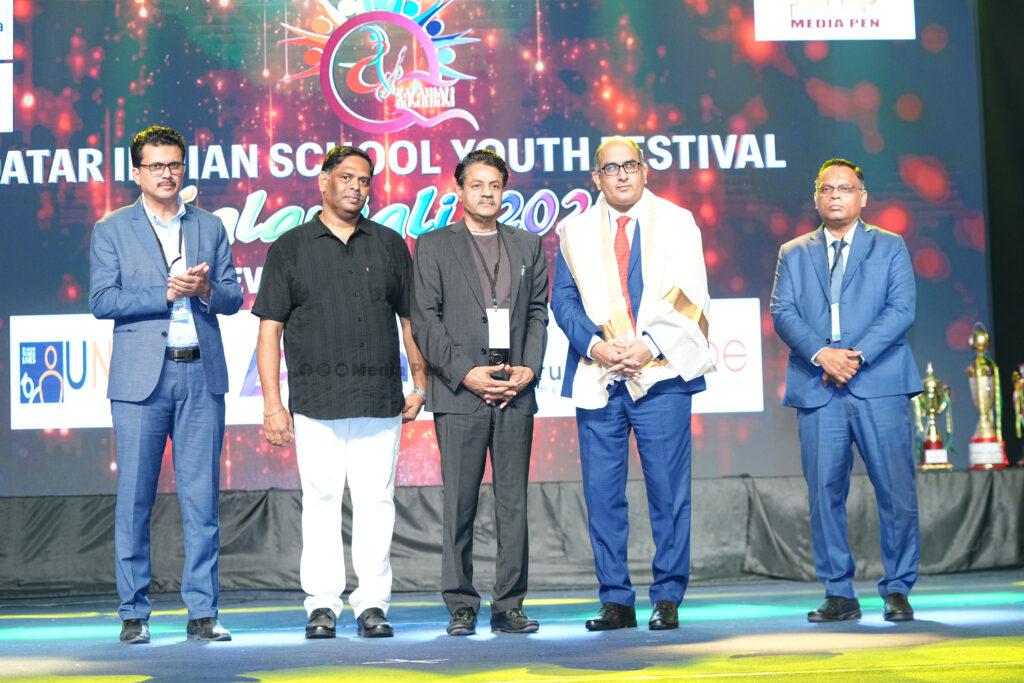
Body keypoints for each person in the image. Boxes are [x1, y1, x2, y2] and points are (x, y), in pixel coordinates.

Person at [253, 145, 428, 639]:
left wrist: (420, 384)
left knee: (377, 502)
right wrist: (273, 405)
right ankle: (322, 605)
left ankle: (372, 604)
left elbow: (410, 321)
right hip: (315, 402)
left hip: (379, 400)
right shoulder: (289, 248)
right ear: (323, 181)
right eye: (346, 177)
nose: (356, 187)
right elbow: (269, 331)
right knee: (321, 502)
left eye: (365, 180)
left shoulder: (390, 244)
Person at [550, 136, 714, 631]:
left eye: (630, 165)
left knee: (668, 493)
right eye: (610, 168)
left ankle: (667, 597)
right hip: (599, 375)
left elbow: (690, 293)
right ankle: (616, 601)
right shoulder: (574, 230)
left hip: (660, 375)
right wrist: (595, 346)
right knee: (603, 496)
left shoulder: (677, 221)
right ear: (595, 178)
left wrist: (650, 344)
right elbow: (563, 300)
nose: (621, 175)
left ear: (644, 171)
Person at [90, 125, 242, 644]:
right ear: (136, 172)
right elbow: (102, 301)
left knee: (202, 502)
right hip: (140, 381)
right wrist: (165, 293)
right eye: (156, 165)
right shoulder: (112, 228)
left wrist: (204, 289)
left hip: (200, 373)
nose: (167, 173)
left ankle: (203, 613)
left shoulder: (209, 226)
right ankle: (134, 614)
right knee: (135, 499)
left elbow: (233, 297)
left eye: (174, 164)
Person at [770, 158, 922, 622]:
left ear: (863, 197)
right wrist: (823, 355)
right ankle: (839, 592)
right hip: (819, 387)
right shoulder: (793, 252)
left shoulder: (890, 245)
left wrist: (854, 356)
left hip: (879, 383)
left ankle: (897, 588)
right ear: (816, 197)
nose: (835, 195)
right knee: (824, 494)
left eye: (845, 188)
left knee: (895, 491)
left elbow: (901, 309)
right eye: (827, 188)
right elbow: (782, 312)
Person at [411, 149, 549, 636]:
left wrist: (528, 369)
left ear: (504, 190)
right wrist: (464, 373)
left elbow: (537, 312)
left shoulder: (528, 244)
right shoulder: (433, 245)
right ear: (460, 191)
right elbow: (425, 320)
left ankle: (509, 604)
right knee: (460, 503)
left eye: (494, 185)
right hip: (459, 393)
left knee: (514, 504)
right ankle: (461, 604)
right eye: (477, 185)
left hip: (515, 390)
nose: (486, 193)